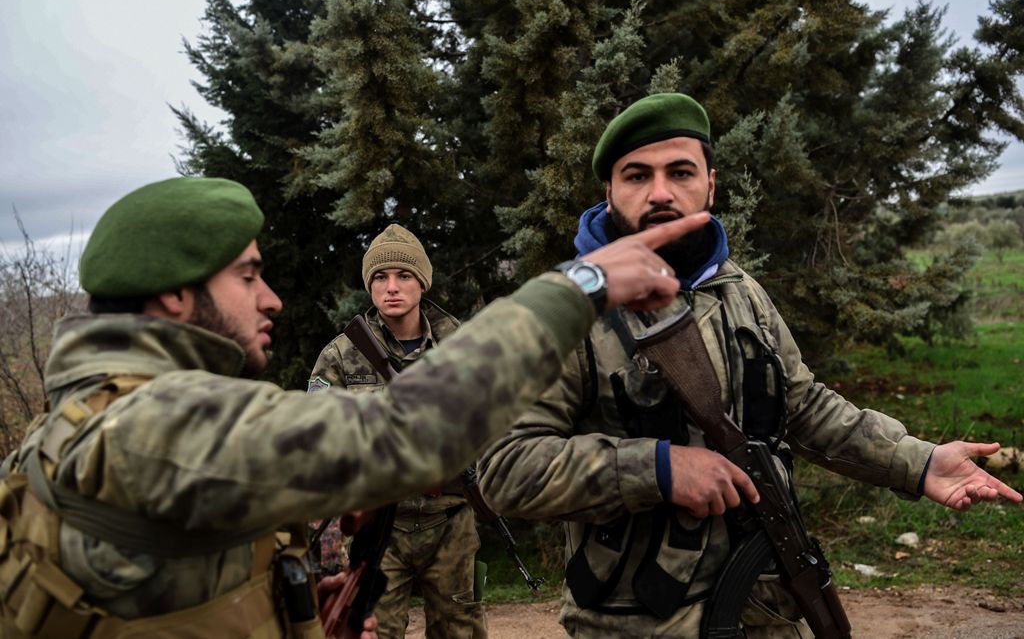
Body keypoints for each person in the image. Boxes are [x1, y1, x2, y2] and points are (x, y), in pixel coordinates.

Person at [0, 175, 704, 639]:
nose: (272, 298)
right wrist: (579, 286)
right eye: (248, 275)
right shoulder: (149, 423)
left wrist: (281, 605)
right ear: (177, 295)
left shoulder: (68, 430)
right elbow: (404, 430)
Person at [477, 93, 1023, 638]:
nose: (660, 192)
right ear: (610, 191)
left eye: (680, 172)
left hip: (766, 611)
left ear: (710, 185)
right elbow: (505, 467)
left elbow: (803, 407)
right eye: (637, 176)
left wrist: (917, 462)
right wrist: (659, 469)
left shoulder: (740, 292)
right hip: (637, 623)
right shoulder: (568, 311)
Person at [307, 224, 487, 639]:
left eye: (404, 276)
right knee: (374, 631)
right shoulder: (341, 355)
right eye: (380, 277)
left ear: (422, 283)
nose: (391, 288)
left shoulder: (462, 347)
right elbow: (318, 443)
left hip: (450, 521)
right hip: (376, 528)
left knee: (461, 629)